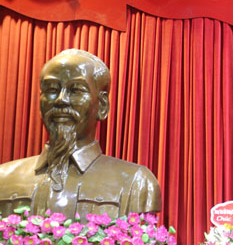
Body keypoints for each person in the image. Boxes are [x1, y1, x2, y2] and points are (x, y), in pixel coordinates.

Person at [0, 49, 160, 220]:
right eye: (52, 89)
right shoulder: (4, 177)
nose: (61, 99)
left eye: (76, 90)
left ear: (102, 105)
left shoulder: (137, 183)